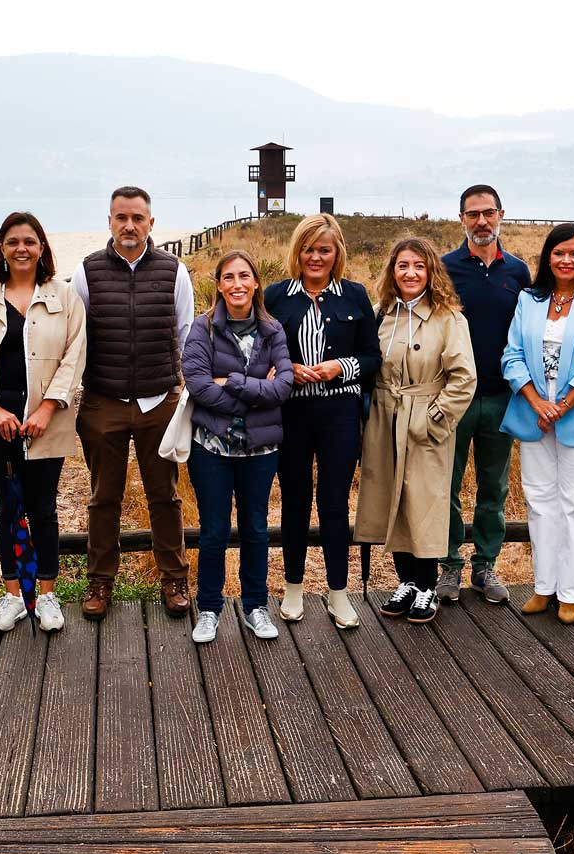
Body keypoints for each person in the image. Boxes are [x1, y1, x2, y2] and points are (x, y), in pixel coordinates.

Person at [0, 212, 86, 634]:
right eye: (12, 242)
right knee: (8, 508)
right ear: (2, 249)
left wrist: (46, 408)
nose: (21, 248)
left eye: (29, 241)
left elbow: (74, 355)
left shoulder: (64, 297)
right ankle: (13, 596)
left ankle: (45, 594)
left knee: (44, 508)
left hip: (47, 424)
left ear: (42, 247)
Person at [72, 186, 195, 621]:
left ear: (151, 223)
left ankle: (174, 578)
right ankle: (101, 581)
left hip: (159, 400)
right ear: (109, 221)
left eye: (137, 218)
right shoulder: (86, 272)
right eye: (121, 217)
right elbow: (77, 339)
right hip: (103, 400)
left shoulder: (174, 271)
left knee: (164, 495)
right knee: (104, 497)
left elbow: (185, 335)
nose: (129, 225)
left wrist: (182, 391)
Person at [264, 214, 379, 629]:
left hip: (339, 413)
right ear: (298, 251)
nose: (315, 257)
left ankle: (338, 593)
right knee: (294, 500)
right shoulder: (276, 296)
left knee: (334, 503)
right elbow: (258, 351)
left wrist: (340, 368)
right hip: (290, 412)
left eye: (324, 249)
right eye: (308, 249)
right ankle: (293, 588)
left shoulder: (355, 295)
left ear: (337, 254)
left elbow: (372, 358)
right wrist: (286, 368)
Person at [355, 237, 477, 625]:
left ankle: (427, 585)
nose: (410, 273)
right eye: (402, 265)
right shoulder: (379, 314)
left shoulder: (449, 318)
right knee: (392, 499)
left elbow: (464, 379)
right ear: (393, 271)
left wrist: (434, 420)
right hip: (384, 418)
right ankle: (406, 580)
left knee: (424, 502)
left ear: (431, 272)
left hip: (424, 419)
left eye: (418, 266)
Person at [500, 223, 574, 626]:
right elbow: (511, 355)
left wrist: (561, 406)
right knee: (539, 501)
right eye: (559, 253)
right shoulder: (528, 300)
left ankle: (570, 593)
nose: (566, 260)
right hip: (534, 416)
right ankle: (543, 586)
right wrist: (537, 402)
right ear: (547, 257)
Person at [182, 251, 295, 643]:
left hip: (260, 452)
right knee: (213, 531)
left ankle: (255, 606)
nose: (237, 284)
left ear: (256, 282)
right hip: (211, 448)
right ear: (218, 285)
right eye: (228, 277)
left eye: (244, 276)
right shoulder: (203, 328)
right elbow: (197, 384)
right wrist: (255, 391)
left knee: (255, 528)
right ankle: (209, 609)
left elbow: (283, 386)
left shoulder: (273, 330)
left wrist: (231, 383)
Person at [438, 185, 531, 604]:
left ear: (501, 215)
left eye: (488, 213)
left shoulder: (518, 272)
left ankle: (485, 565)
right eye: (473, 214)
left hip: (500, 398)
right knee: (448, 486)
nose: (481, 221)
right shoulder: (444, 269)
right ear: (461, 219)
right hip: (454, 398)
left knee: (494, 488)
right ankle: (449, 567)